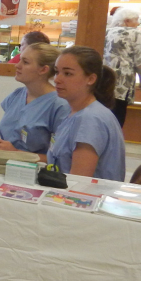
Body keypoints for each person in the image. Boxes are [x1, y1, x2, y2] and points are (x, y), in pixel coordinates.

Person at [48, 46, 126, 181]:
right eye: (56, 72)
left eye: (67, 74)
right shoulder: (75, 113)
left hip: (88, 198)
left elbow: (78, 183)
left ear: (90, 79)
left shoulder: (90, 120)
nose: (57, 79)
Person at [0, 43, 69, 157]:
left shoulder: (60, 105)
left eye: (25, 62)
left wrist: (16, 153)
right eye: (20, 60)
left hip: (38, 172)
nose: (17, 65)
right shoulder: (16, 95)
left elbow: (60, 159)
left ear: (43, 69)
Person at [103, 6, 141, 128]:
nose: (138, 23)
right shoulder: (135, 33)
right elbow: (140, 60)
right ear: (127, 21)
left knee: (105, 114)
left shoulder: (108, 31)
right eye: (136, 20)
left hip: (105, 78)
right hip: (123, 80)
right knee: (118, 116)